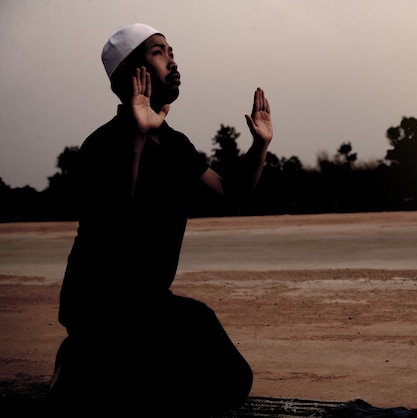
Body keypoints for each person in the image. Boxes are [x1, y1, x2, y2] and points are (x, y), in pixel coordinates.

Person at [48, 23, 272, 414]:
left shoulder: (174, 143)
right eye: (158, 51)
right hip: (100, 307)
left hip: (151, 303)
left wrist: (260, 146)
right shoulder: (102, 144)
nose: (172, 59)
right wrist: (136, 136)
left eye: (171, 50)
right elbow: (114, 217)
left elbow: (228, 196)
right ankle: (78, 359)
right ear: (133, 73)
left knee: (232, 380)